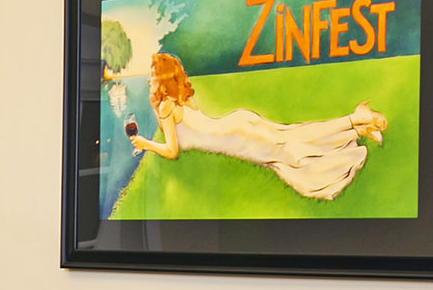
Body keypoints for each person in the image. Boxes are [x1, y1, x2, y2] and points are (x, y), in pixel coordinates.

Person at [127, 51, 387, 202]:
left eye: (152, 75)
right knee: (293, 136)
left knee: (294, 148)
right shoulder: (180, 98)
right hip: (237, 124)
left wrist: (145, 144)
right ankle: (357, 127)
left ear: (162, 80)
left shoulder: (166, 108)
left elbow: (172, 151)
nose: (149, 79)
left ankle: (356, 119)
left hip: (237, 137)